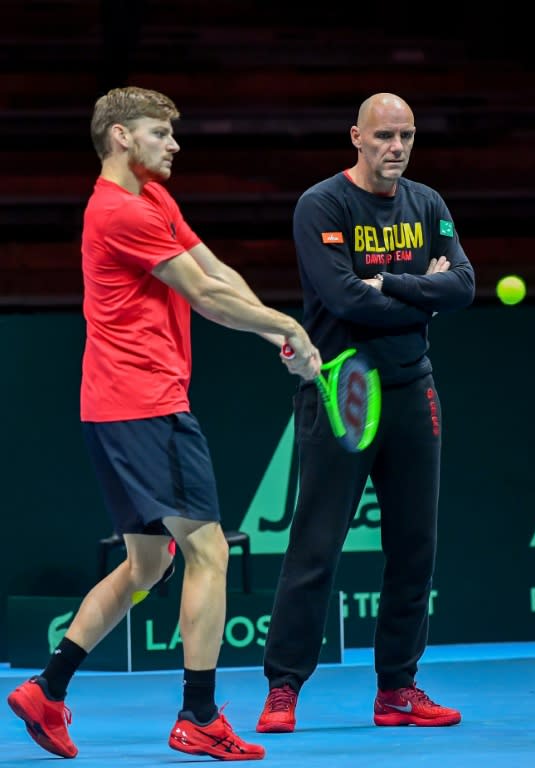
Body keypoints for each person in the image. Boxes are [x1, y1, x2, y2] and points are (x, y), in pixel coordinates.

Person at [7, 86, 321, 760]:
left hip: (113, 409)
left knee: (148, 563)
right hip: (146, 407)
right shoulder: (117, 211)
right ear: (120, 137)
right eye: (160, 133)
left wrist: (277, 334)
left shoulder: (153, 198)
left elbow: (216, 269)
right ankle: (199, 714)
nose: (173, 144)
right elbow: (204, 296)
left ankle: (48, 689)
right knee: (209, 551)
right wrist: (289, 326)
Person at [256, 92, 475, 733]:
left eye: (406, 136)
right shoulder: (321, 205)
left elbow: (462, 282)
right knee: (315, 546)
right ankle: (283, 689)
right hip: (342, 390)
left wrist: (398, 287)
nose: (396, 148)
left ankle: (397, 691)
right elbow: (343, 298)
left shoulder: (428, 204)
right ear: (356, 136)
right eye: (383, 136)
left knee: (415, 547)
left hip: (413, 389)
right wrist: (422, 295)